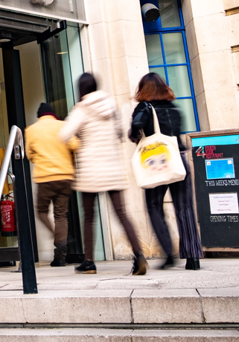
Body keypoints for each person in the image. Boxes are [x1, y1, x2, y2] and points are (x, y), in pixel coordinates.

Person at [60, 72, 148, 275]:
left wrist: (79, 140)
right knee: (122, 214)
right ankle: (139, 255)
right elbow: (120, 133)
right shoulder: (110, 104)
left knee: (89, 217)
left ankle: (89, 261)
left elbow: (63, 134)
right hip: (112, 168)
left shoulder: (82, 108)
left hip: (90, 169)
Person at [129, 73, 203, 270]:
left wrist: (135, 135)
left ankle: (169, 253)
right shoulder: (174, 108)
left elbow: (135, 127)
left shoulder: (144, 107)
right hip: (178, 159)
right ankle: (193, 257)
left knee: (154, 205)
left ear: (143, 89)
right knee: (184, 207)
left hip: (155, 162)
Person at [25, 102, 79, 266]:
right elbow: (75, 145)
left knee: (41, 212)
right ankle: (60, 256)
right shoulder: (63, 126)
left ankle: (58, 239)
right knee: (60, 215)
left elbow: (29, 155)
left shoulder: (31, 130)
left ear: (39, 116)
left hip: (45, 178)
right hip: (65, 176)